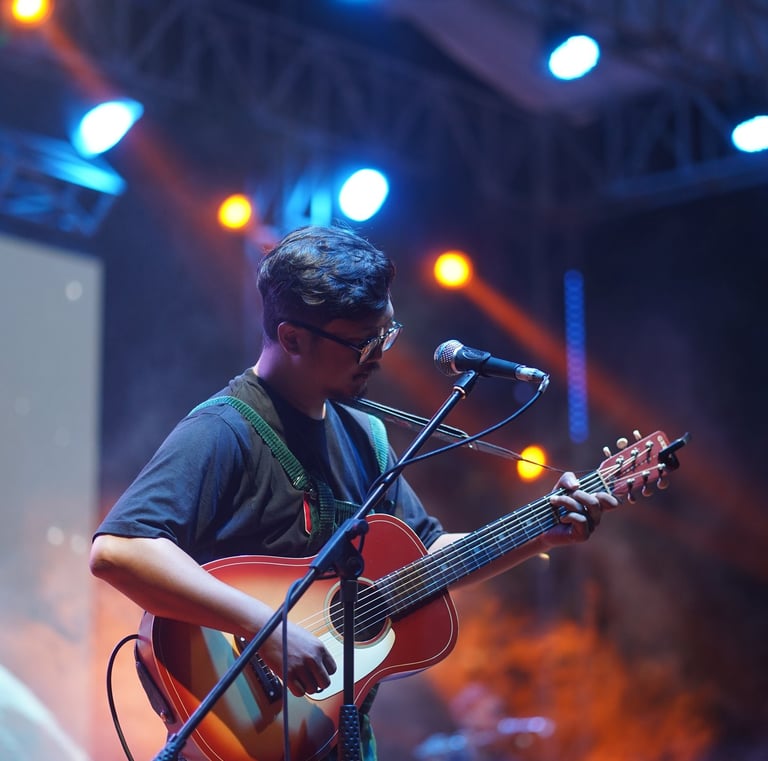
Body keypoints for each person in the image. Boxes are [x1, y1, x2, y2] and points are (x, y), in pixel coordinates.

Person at [89, 225, 618, 761]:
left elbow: (428, 554)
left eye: (386, 335)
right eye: (362, 342)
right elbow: (119, 550)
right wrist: (265, 628)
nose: (379, 355)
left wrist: (539, 532)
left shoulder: (367, 438)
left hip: (338, 741)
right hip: (240, 729)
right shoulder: (225, 429)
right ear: (292, 338)